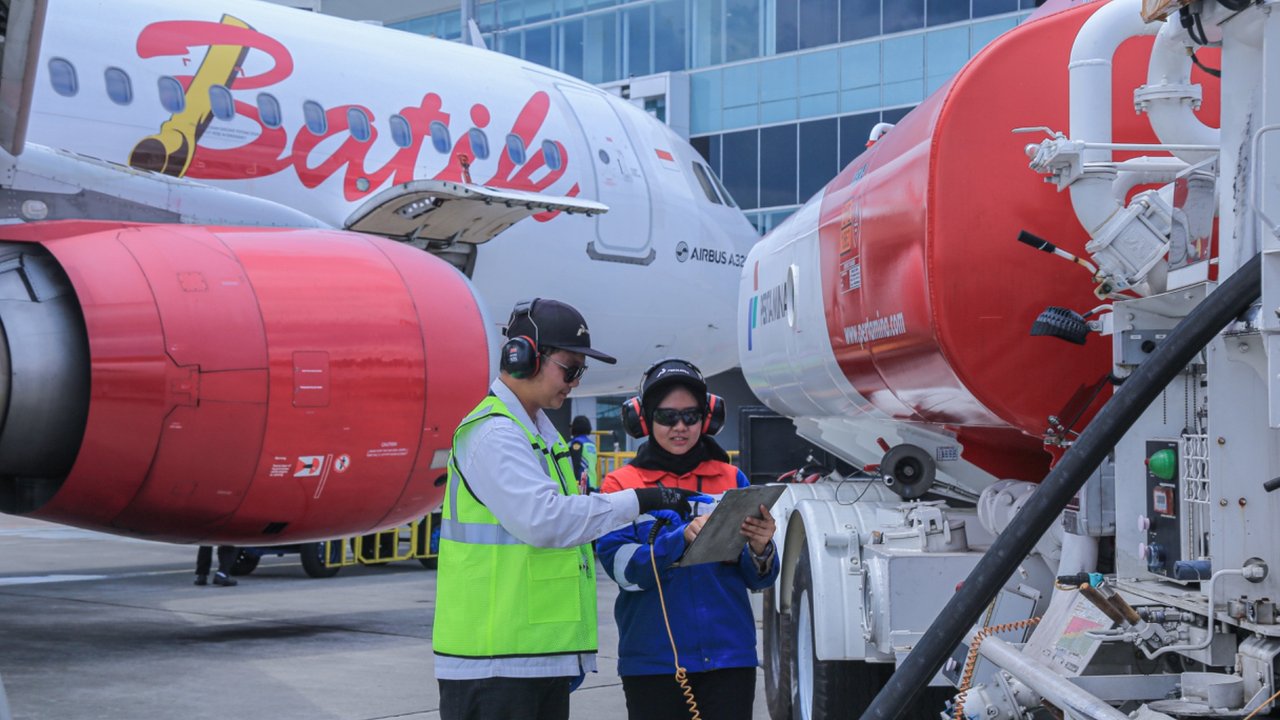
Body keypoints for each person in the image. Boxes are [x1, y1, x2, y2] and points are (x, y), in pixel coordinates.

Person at [432, 298, 711, 720]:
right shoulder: (493, 436)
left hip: (531, 658)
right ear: (523, 355)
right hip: (495, 663)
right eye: (570, 368)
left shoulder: (541, 437)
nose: (575, 382)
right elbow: (547, 522)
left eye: (581, 371)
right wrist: (643, 499)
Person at [597, 358, 778, 720]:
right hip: (653, 662)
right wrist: (679, 539)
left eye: (690, 416)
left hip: (730, 658)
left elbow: (758, 578)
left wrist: (761, 548)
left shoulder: (731, 479)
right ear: (644, 419)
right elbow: (623, 571)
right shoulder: (621, 486)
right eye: (667, 417)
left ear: (706, 419)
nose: (680, 427)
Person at [568, 415, 599, 494]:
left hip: (582, 484)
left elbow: (575, 465)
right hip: (592, 483)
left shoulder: (577, 443)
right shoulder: (592, 444)